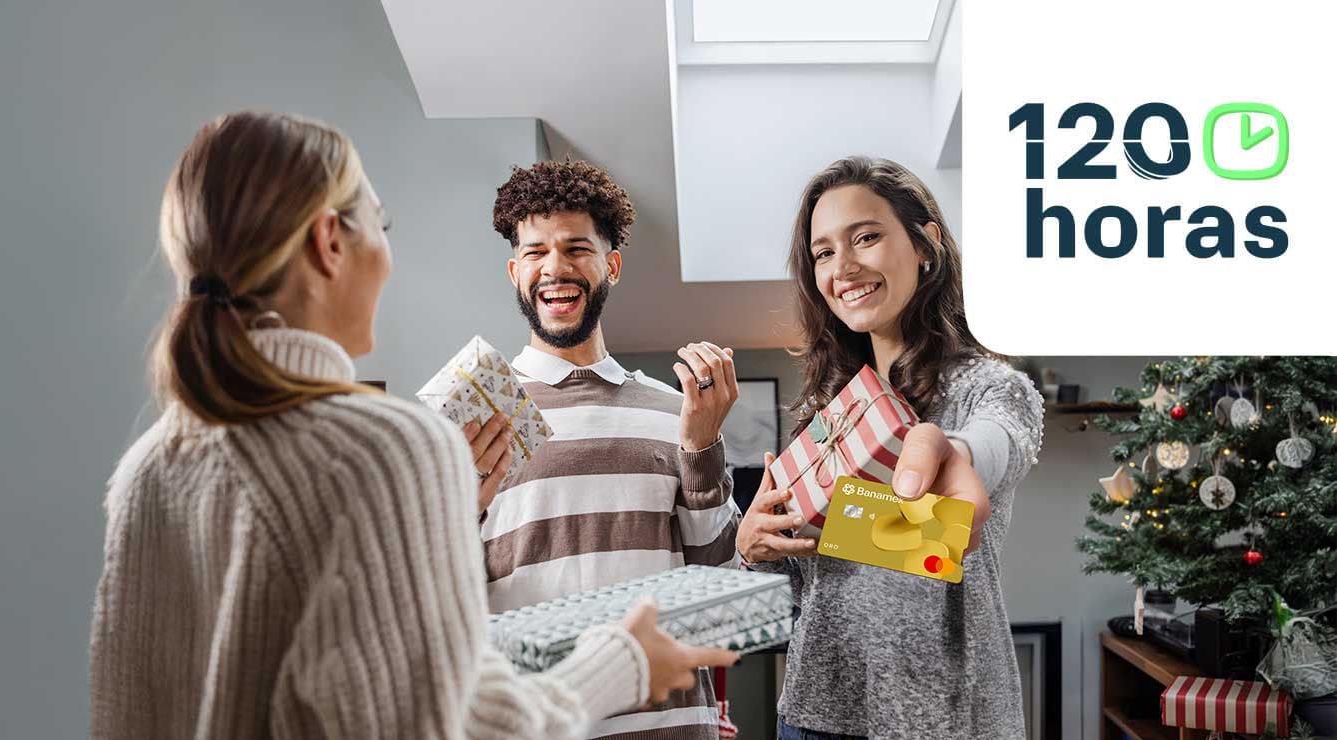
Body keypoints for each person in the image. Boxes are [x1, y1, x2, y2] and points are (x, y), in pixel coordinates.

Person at [87, 111, 736, 740]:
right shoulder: (392, 446)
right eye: (383, 222)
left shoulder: (147, 468)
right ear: (328, 241)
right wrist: (621, 663)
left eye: (574, 249)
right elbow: (449, 724)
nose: (389, 256)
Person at [738, 156, 1044, 739]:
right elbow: (810, 580)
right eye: (823, 252)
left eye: (867, 237)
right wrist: (757, 546)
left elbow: (991, 452)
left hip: (944, 715)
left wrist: (952, 450)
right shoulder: (825, 415)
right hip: (816, 713)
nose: (843, 266)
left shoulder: (988, 387)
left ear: (926, 245)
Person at [465, 159, 741, 739]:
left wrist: (702, 445)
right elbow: (436, 600)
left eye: (576, 248)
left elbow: (719, 578)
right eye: (535, 252)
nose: (555, 268)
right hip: (537, 723)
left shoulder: (675, 408)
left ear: (611, 264)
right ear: (515, 271)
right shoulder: (477, 415)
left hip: (673, 726)